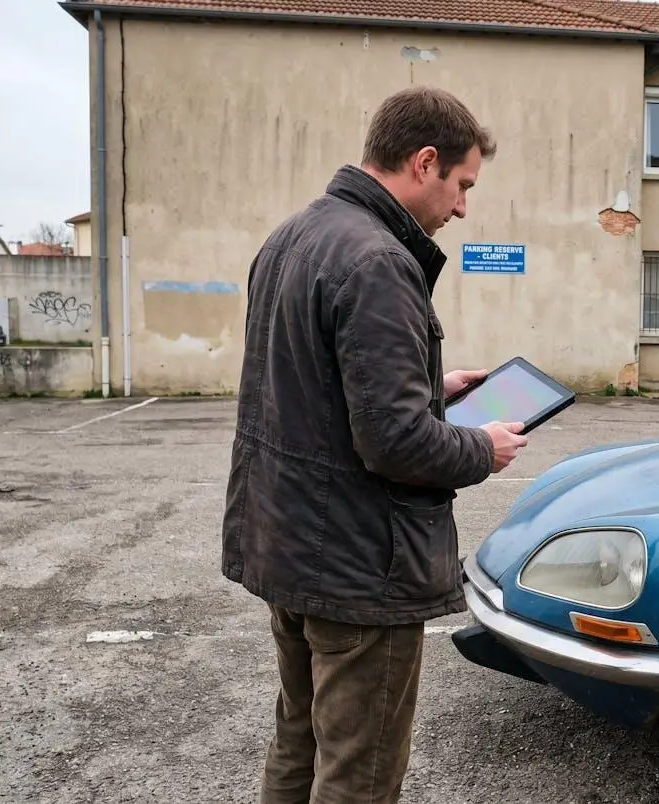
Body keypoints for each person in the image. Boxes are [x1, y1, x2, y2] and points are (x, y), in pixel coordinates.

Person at [221, 86, 530, 804]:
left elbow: (313, 388)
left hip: (290, 546)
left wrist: (430, 383)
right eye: (462, 185)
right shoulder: (379, 262)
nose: (462, 208)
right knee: (359, 774)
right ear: (425, 162)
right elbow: (394, 442)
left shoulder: (293, 236)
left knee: (298, 742)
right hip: (359, 570)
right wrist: (481, 447)